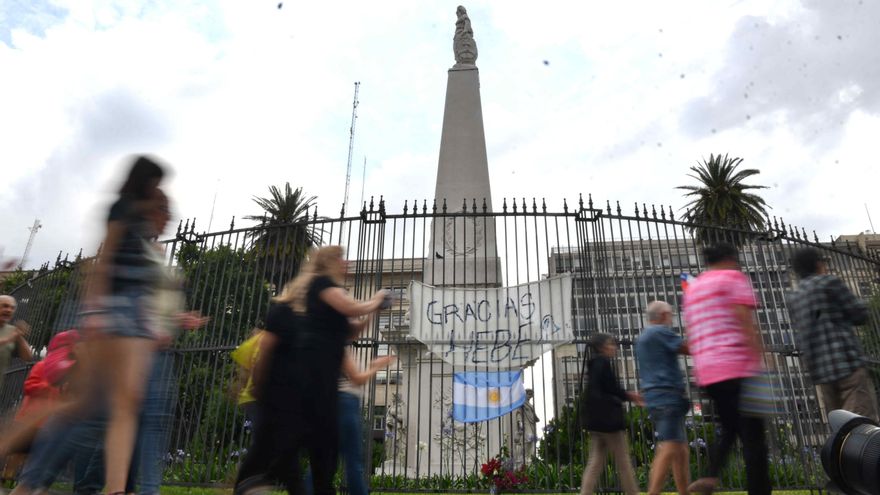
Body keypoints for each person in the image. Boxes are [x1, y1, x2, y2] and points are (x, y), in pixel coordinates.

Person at [235, 246, 385, 494]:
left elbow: (352, 330)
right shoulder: (312, 292)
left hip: (321, 388)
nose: (346, 263)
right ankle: (254, 484)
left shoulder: (325, 312)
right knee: (288, 453)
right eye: (340, 258)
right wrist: (375, 300)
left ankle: (260, 483)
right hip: (300, 386)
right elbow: (265, 349)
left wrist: (373, 312)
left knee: (317, 455)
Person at [79, 155, 168, 495]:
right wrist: (95, 309)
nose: (157, 187)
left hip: (137, 314)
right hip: (117, 308)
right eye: (155, 181)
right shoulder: (122, 209)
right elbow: (105, 259)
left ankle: (116, 488)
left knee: (127, 402)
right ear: (144, 180)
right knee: (90, 405)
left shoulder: (144, 219)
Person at [683, 243, 770, 495]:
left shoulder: (694, 288)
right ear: (730, 258)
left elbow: (693, 332)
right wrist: (759, 357)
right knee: (754, 440)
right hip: (738, 366)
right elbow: (744, 320)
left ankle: (710, 476)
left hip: (708, 372)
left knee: (730, 428)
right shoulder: (733, 278)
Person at [787, 247, 878, 421]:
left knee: (839, 424)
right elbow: (859, 314)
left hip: (821, 371)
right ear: (818, 264)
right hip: (847, 363)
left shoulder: (794, 297)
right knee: (862, 422)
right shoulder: (829, 283)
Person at [635, 301, 689, 495]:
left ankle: (684, 492)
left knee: (680, 450)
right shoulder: (660, 332)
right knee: (669, 446)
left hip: (654, 397)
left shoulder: (642, 338)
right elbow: (688, 348)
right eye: (671, 314)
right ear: (663, 315)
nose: (672, 318)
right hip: (668, 396)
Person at [578, 333, 642, 495]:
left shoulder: (593, 365)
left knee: (595, 462)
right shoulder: (603, 363)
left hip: (597, 422)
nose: (614, 347)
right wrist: (630, 396)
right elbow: (612, 388)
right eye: (610, 344)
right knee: (623, 462)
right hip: (610, 422)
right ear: (602, 347)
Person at [0, 295, 34, 391]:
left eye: (12, 308)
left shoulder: (12, 331)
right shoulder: (12, 335)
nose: (9, 310)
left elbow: (27, 357)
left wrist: (19, 336)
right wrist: (11, 337)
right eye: (5, 306)